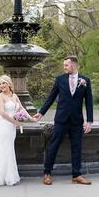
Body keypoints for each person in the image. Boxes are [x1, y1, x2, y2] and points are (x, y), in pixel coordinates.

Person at [33, 56, 93, 186]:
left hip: (77, 120)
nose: (64, 67)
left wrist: (89, 121)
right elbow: (51, 97)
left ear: (74, 65)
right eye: (64, 65)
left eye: (66, 65)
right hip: (61, 119)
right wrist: (41, 113)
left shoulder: (85, 81)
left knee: (77, 148)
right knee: (53, 146)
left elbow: (89, 102)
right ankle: (47, 173)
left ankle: (76, 175)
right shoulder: (59, 79)